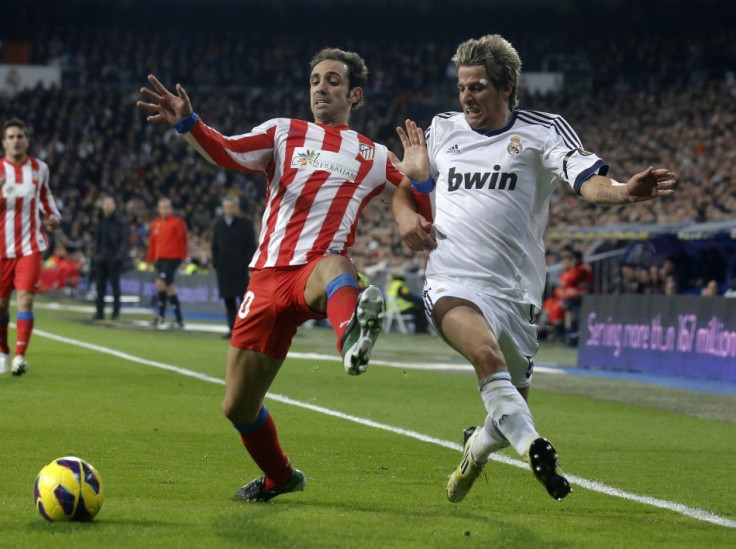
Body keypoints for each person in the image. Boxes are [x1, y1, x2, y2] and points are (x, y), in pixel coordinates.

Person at [391, 34, 676, 503]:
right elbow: (407, 189)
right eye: (462, 87)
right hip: (451, 278)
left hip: (516, 293)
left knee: (507, 405)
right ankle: (536, 447)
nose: (467, 97)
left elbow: (587, 181)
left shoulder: (545, 131)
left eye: (478, 86)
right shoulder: (442, 128)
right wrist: (406, 217)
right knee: (486, 356)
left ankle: (476, 450)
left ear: (506, 86)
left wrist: (624, 191)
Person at [138, 47, 408, 502]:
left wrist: (417, 180)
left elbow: (417, 204)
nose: (321, 87)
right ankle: (280, 477)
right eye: (316, 80)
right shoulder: (284, 132)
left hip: (315, 271)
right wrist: (188, 121)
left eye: (333, 81)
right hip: (264, 280)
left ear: (354, 93)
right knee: (238, 406)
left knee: (337, 265)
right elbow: (228, 152)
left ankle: (352, 336)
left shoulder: (374, 156)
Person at [0, 118, 61, 375]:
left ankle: (20, 356)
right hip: (1, 248)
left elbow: (46, 197)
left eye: (20, 136)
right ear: (4, 142)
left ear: (27, 140)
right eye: (12, 136)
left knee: (26, 299)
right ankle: (2, 351)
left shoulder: (39, 168)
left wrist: (54, 217)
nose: (17, 140)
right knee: (1, 305)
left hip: (30, 245)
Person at [211, 195, 256, 338]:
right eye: (226, 207)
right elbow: (214, 247)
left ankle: (246, 329)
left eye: (231, 207)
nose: (228, 210)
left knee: (244, 300)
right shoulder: (218, 225)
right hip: (224, 270)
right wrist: (217, 264)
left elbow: (251, 246)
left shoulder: (246, 224)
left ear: (236, 207)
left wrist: (245, 263)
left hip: (240, 269)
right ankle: (232, 329)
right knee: (228, 300)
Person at [146, 197, 188, 328]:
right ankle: (179, 320)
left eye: (166, 207)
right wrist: (149, 259)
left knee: (160, 282)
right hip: (160, 259)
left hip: (173, 258)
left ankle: (161, 317)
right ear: (158, 209)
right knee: (168, 287)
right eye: (161, 208)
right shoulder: (155, 224)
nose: (164, 210)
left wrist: (184, 258)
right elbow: (152, 243)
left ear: (171, 209)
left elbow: (183, 241)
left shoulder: (177, 223)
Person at [92, 196, 129, 321]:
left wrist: (119, 255)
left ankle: (115, 312)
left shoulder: (120, 221)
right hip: (101, 258)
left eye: (109, 204)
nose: (107, 207)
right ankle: (99, 312)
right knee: (100, 286)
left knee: (115, 286)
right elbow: (98, 239)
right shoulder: (101, 220)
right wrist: (96, 254)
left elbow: (124, 240)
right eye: (105, 204)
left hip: (114, 258)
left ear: (114, 206)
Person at [556, 248, 593, 345]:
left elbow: (572, 281)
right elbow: (561, 288)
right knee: (556, 307)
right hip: (570, 299)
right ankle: (567, 334)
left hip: (580, 299)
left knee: (568, 311)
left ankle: (572, 335)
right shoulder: (567, 273)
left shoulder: (582, 270)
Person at [386, 268, 428, 333]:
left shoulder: (391, 284)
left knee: (419, 307)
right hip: (401, 309)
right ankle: (421, 330)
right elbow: (409, 297)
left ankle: (419, 329)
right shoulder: (399, 285)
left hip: (392, 309)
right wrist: (421, 300)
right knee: (422, 306)